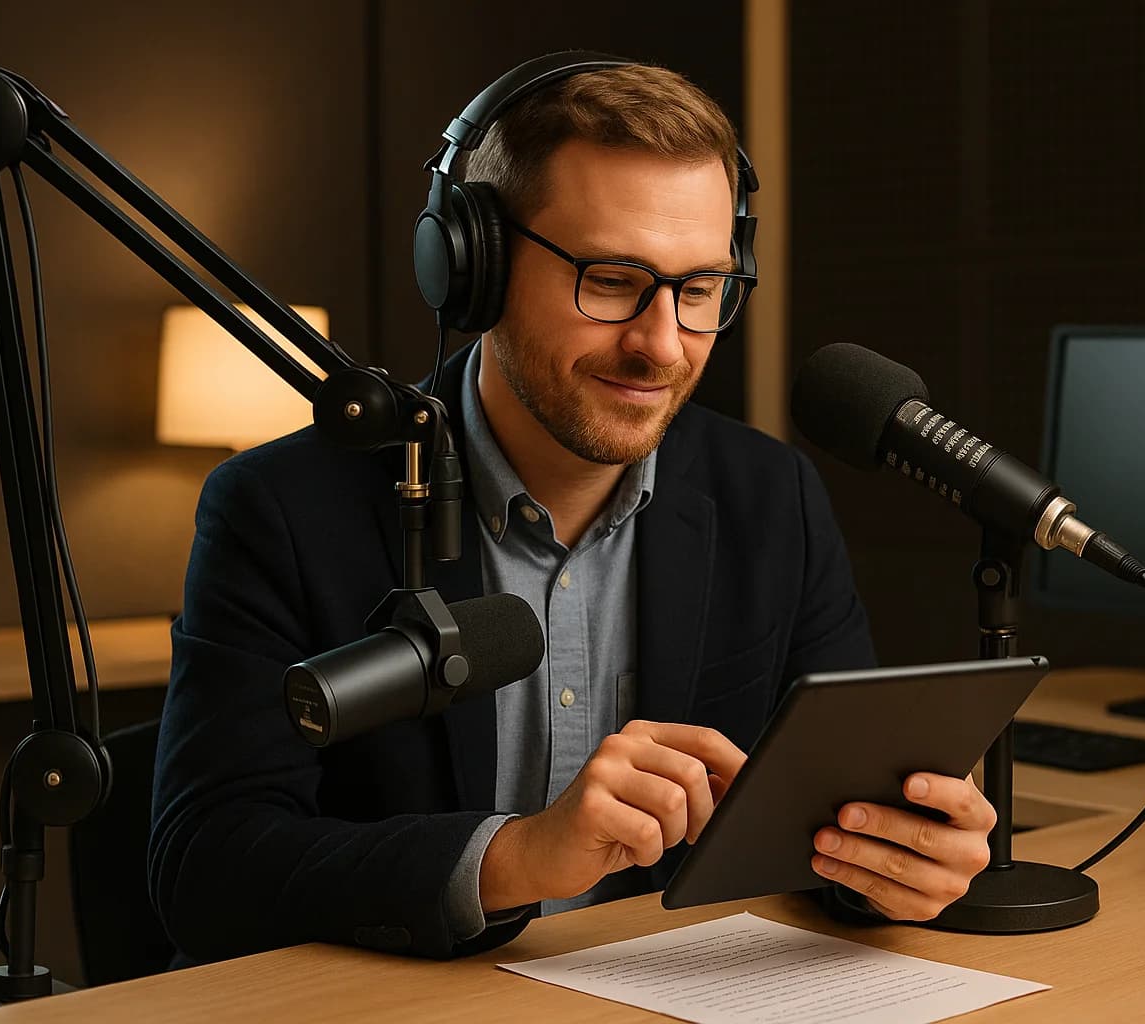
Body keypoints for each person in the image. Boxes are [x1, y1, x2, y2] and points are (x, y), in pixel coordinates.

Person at [148, 57, 996, 965]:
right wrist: (512, 858)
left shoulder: (769, 495)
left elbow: (822, 822)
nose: (661, 345)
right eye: (613, 280)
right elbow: (204, 869)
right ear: (476, 267)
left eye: (701, 289)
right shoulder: (279, 509)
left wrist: (894, 864)